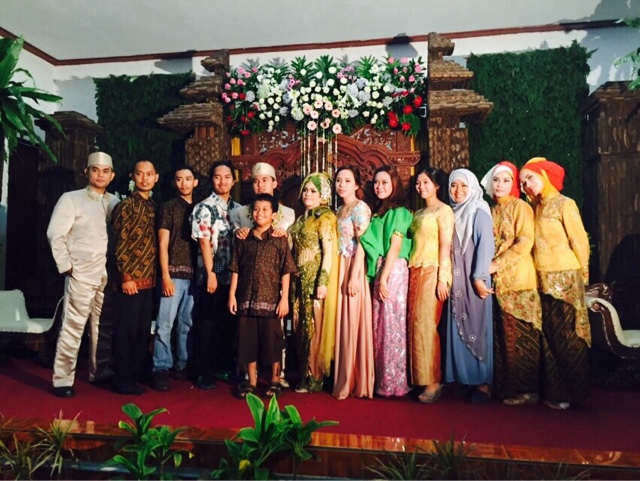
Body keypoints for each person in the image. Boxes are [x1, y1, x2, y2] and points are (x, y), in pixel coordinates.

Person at [520, 157, 591, 410]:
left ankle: (577, 393)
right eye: (523, 183)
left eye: (530, 178)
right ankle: (557, 393)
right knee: (550, 336)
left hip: (566, 276)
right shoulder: (535, 208)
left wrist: (583, 275)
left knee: (568, 334)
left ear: (544, 174)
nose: (527, 185)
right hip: (542, 278)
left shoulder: (565, 203)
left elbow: (579, 241)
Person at [46, 151, 118, 398]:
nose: (100, 175)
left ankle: (101, 371)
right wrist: (66, 265)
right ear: (86, 172)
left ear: (112, 176)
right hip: (80, 273)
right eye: (95, 170)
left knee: (103, 326)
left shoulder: (115, 202)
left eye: (105, 171)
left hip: (107, 275)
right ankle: (62, 379)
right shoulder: (71, 199)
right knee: (73, 326)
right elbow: (55, 234)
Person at [480, 161, 543, 406]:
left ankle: (528, 390)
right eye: (496, 180)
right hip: (497, 283)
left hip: (519, 279)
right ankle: (507, 388)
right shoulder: (490, 210)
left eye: (506, 181)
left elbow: (525, 241)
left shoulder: (521, 207)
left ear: (514, 184)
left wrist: (497, 264)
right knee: (504, 336)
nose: (500, 185)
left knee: (523, 335)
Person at [230, 161, 296, 388]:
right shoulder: (241, 213)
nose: (260, 185)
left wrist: (284, 297)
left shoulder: (288, 214)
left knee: (274, 337)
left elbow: (286, 265)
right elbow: (236, 264)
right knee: (247, 338)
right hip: (248, 290)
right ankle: (250, 378)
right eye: (256, 181)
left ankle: (277, 376)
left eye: (265, 180)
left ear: (275, 183)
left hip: (272, 288)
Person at [360, 165, 413, 397]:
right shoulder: (378, 211)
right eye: (376, 182)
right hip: (382, 267)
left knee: (392, 325)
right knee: (380, 324)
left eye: (384, 183)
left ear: (394, 185)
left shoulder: (400, 212)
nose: (379, 187)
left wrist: (384, 277)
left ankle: (395, 382)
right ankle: (382, 380)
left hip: (394, 269)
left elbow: (396, 246)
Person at [443, 168, 495, 404]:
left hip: (475, 277)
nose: (458, 191)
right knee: (458, 322)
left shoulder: (479, 210)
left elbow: (486, 246)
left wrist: (479, 277)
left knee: (477, 323)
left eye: (464, 186)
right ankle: (466, 379)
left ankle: (483, 383)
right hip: (457, 279)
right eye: (454, 185)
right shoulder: (452, 212)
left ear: (473, 188)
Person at [190, 160, 241, 390]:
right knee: (207, 323)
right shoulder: (204, 207)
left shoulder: (238, 209)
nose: (222, 181)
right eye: (217, 177)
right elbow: (203, 241)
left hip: (231, 275)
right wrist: (210, 273)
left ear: (234, 180)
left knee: (227, 323)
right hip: (211, 273)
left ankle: (224, 366)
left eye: (227, 177)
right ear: (212, 180)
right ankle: (204, 371)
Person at [111, 158, 159, 395]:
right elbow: (119, 243)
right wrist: (126, 276)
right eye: (140, 174)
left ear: (156, 178)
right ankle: (121, 379)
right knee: (126, 331)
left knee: (141, 331)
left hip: (149, 280)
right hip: (130, 281)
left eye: (149, 174)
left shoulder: (154, 207)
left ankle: (136, 374)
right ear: (132, 176)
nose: (145, 178)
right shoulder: (126, 206)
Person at [407, 166, 454, 404]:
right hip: (415, 270)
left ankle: (434, 381)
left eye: (426, 182)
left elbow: (445, 245)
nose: (421, 187)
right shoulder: (417, 213)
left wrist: (443, 277)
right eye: (418, 183)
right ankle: (420, 377)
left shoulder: (444, 210)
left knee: (427, 325)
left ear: (436, 185)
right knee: (415, 325)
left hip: (433, 269)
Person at [289, 172, 339, 393]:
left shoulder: (325, 218)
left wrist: (323, 282)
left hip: (314, 280)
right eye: (306, 190)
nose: (308, 194)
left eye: (313, 191)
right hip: (298, 281)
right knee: (300, 327)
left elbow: (329, 252)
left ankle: (314, 377)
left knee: (313, 328)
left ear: (323, 194)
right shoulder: (301, 220)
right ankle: (303, 374)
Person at [151, 165, 198, 391]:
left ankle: (183, 362)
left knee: (187, 323)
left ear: (195, 182)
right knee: (165, 323)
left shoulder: (200, 208)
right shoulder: (168, 207)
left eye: (188, 179)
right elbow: (162, 244)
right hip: (173, 274)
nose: (184, 183)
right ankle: (161, 366)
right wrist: (166, 276)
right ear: (174, 183)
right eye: (179, 179)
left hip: (194, 274)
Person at [332, 166, 375, 400]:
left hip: (353, 266)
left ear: (357, 184)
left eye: (347, 180)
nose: (342, 184)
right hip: (339, 265)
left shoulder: (361, 208)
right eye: (339, 180)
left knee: (351, 320)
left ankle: (354, 379)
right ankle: (342, 376)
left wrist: (354, 275)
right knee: (341, 321)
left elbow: (363, 245)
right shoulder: (339, 209)